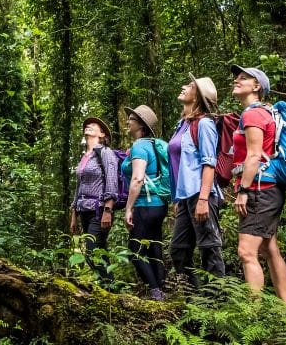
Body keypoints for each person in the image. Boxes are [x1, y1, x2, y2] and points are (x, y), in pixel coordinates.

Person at [229, 64, 286, 303]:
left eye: (244, 78)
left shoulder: (252, 114)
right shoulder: (266, 112)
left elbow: (254, 155)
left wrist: (243, 191)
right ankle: (284, 311)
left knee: (246, 252)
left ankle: (255, 317)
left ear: (257, 87)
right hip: (270, 188)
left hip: (259, 189)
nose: (237, 80)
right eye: (237, 77)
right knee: (269, 249)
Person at [168, 74, 227, 288]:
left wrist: (203, 198)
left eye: (190, 86)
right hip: (185, 197)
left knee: (209, 246)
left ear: (198, 97)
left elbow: (209, 163)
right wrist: (178, 198)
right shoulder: (181, 125)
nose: (184, 87)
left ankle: (217, 301)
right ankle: (196, 297)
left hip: (201, 194)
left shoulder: (204, 124)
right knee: (179, 250)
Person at [122, 104, 169, 300]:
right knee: (154, 246)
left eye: (131, 119)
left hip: (144, 204)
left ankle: (155, 292)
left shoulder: (140, 146)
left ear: (140, 124)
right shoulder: (153, 144)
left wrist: (128, 208)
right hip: (159, 204)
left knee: (135, 250)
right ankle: (161, 290)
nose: (127, 122)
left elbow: (138, 178)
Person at [70, 116, 120, 280]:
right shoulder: (84, 157)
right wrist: (73, 214)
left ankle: (110, 289)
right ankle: (110, 289)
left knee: (93, 252)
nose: (89, 126)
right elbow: (79, 186)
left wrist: (108, 209)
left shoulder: (105, 153)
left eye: (94, 125)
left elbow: (112, 180)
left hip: (99, 210)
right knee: (97, 251)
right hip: (84, 210)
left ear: (102, 134)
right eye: (87, 125)